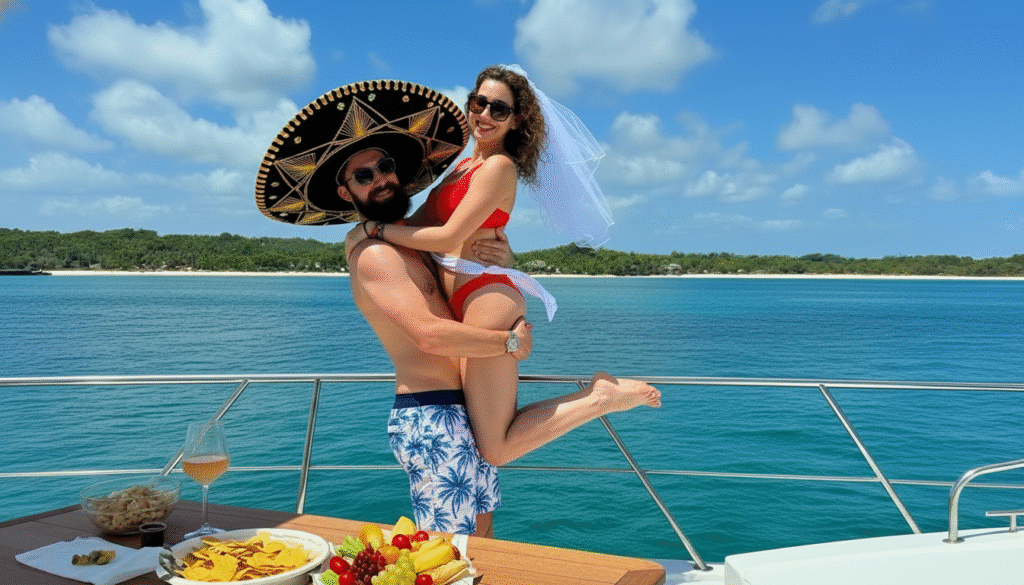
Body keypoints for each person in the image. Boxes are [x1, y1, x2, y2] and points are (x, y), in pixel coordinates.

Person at [255, 79, 659, 537]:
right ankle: (598, 398)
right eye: (364, 177)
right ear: (346, 193)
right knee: (454, 548)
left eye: (385, 167)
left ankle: (598, 397)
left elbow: (455, 244)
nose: (381, 179)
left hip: (456, 404)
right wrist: (508, 342)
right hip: (433, 415)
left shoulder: (419, 228)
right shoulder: (378, 253)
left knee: (480, 539)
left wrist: (504, 260)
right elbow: (429, 332)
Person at [345, 65, 623, 468]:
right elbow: (414, 227)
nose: (486, 115)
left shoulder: (499, 167)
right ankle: (597, 397)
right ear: (470, 104)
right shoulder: (462, 166)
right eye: (480, 103)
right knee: (483, 435)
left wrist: (372, 230)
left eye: (499, 109)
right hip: (467, 298)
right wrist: (357, 237)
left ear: (517, 120)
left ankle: (599, 398)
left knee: (495, 447)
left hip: (485, 297)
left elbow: (445, 237)